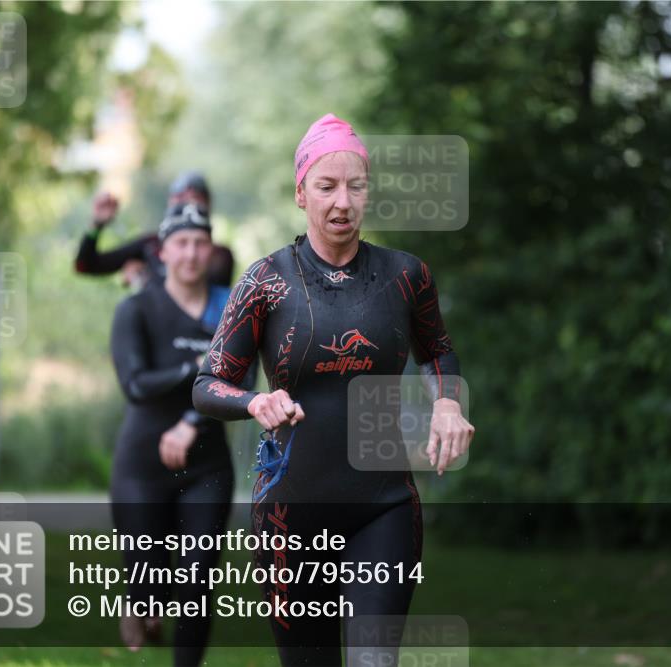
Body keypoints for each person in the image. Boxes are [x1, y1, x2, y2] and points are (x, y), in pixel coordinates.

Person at [191, 114, 474, 666]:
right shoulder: (266, 282)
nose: (341, 202)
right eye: (326, 186)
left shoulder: (405, 276)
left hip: (384, 507)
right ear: (301, 192)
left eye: (355, 185)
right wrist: (255, 401)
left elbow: (438, 350)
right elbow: (208, 384)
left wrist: (446, 402)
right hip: (289, 517)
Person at [109, 202, 237, 666]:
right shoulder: (137, 309)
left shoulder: (229, 310)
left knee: (197, 578)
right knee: (149, 584)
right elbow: (136, 385)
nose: (191, 253)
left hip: (206, 465)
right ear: (162, 252)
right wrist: (197, 369)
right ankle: (140, 601)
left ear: (211, 249)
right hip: (141, 467)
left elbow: (239, 382)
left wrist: (190, 421)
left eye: (200, 243)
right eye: (181, 243)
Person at [76, 171, 236, 289]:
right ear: (163, 253)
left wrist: (144, 279)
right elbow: (85, 265)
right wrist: (97, 225)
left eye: (195, 201)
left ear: (207, 206)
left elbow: (196, 295)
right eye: (180, 200)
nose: (191, 254)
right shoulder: (151, 244)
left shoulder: (219, 255)